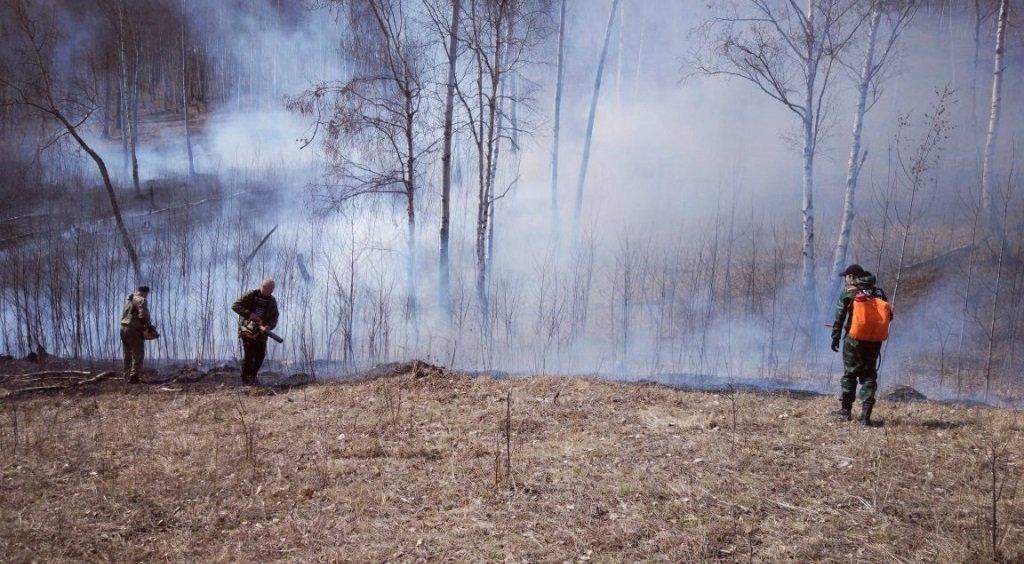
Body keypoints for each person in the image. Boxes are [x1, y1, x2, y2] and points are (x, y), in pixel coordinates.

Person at [830, 264, 891, 426]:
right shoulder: (878, 292)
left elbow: (839, 317)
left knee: (850, 373)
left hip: (854, 340)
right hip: (874, 341)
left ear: (851, 276)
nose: (845, 280)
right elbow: (888, 316)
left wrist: (835, 337)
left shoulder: (850, 292)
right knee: (869, 375)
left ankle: (845, 411)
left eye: (846, 277)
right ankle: (865, 415)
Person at [231, 278, 279, 385]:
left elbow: (274, 317)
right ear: (263, 287)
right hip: (247, 330)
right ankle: (246, 380)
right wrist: (249, 314)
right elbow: (235, 306)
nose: (272, 292)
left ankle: (252, 377)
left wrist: (269, 327)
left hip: (261, 333)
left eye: (273, 290)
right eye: (270, 289)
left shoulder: (272, 301)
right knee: (249, 354)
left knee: (260, 355)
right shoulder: (251, 295)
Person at [120, 285, 153, 384]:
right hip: (133, 329)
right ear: (145, 292)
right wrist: (148, 325)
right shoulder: (142, 300)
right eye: (147, 294)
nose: (147, 296)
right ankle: (134, 377)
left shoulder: (128, 299)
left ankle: (126, 377)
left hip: (123, 328)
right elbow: (144, 315)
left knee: (127, 353)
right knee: (138, 352)